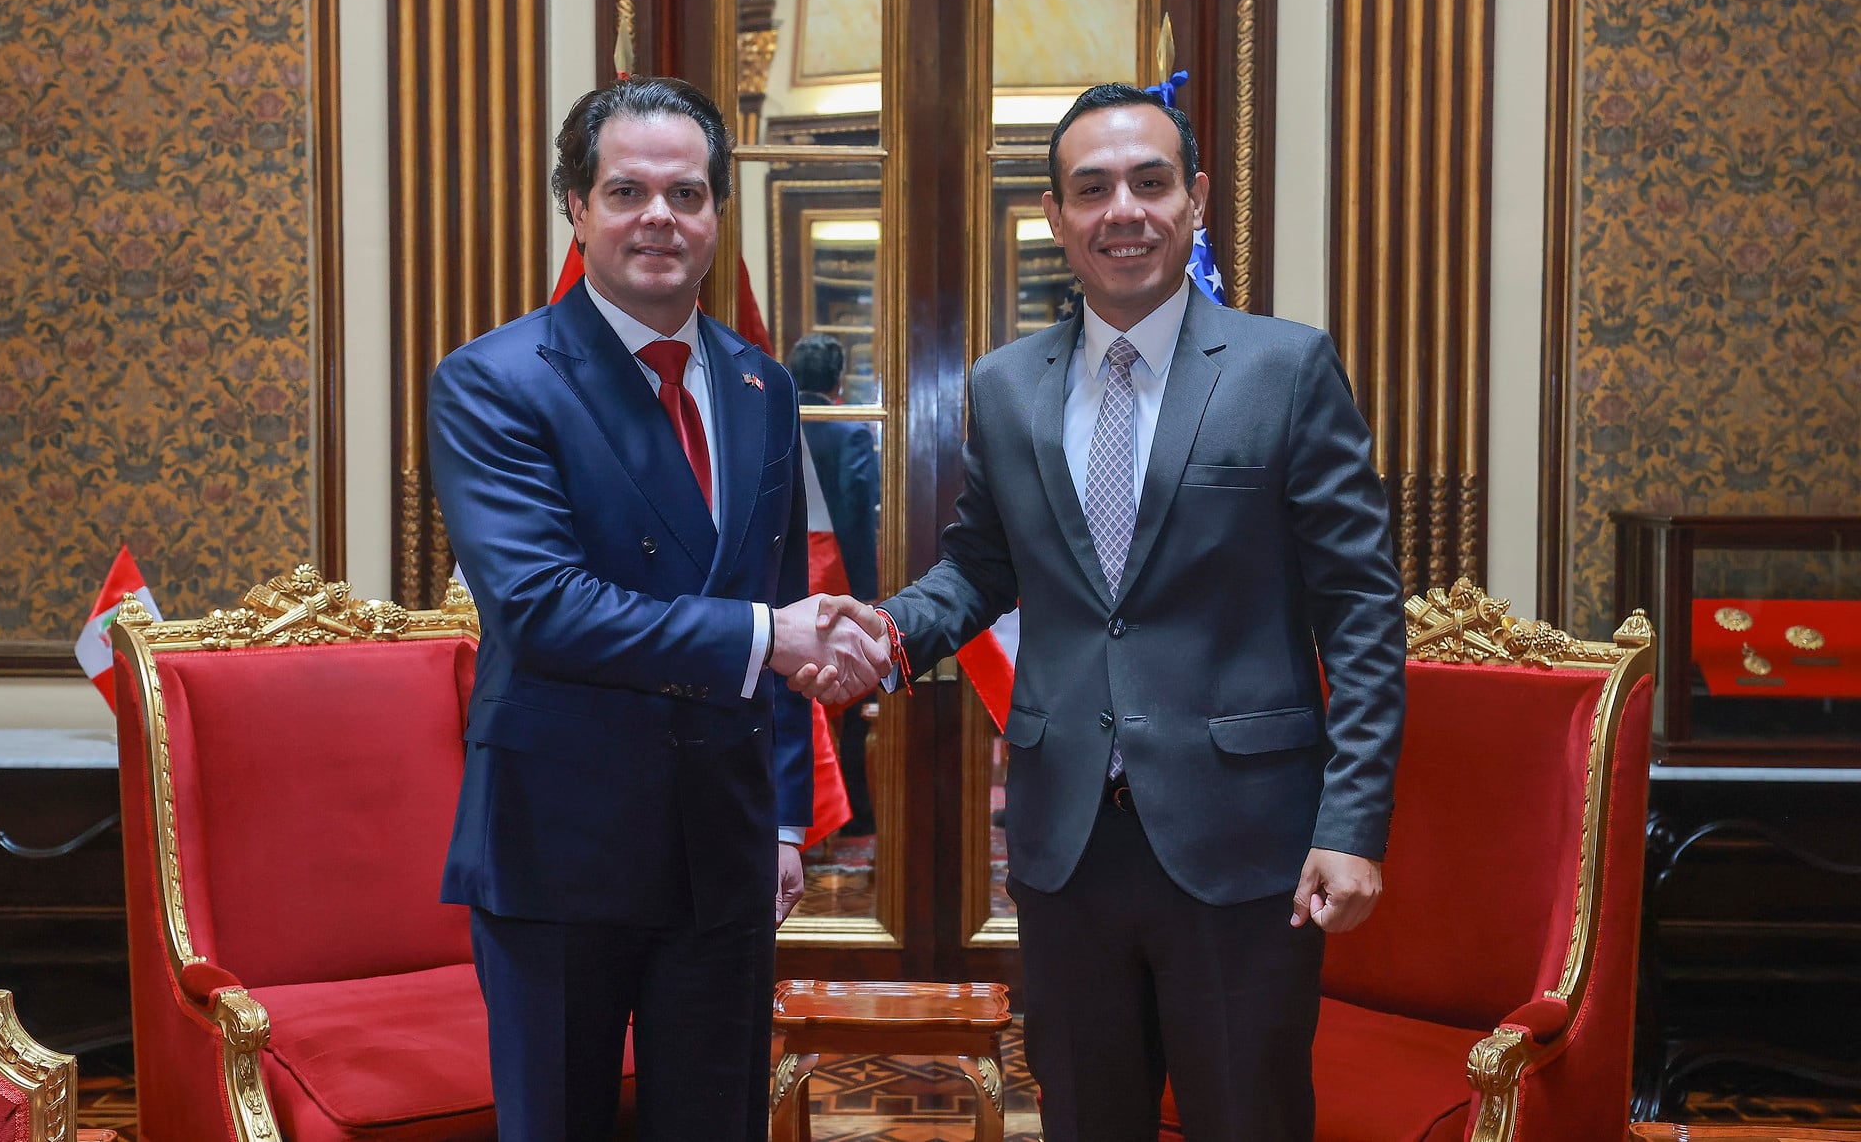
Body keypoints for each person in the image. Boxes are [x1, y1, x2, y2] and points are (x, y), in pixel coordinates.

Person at [798, 83, 1407, 1142]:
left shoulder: (1284, 369)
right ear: (1054, 216)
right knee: (1085, 1121)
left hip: (1243, 842)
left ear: (1195, 199)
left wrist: (1349, 827)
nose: (1121, 208)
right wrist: (881, 639)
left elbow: (1358, 612)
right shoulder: (1005, 386)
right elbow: (978, 569)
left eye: (1148, 181)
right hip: (1064, 843)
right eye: (1091, 189)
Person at [428, 76, 891, 1142]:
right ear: (577, 209)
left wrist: (783, 814)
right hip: (558, 846)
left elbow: (772, 596)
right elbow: (541, 607)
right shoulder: (493, 382)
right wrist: (765, 638)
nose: (657, 218)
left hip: (721, 847)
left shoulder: (759, 387)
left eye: (685, 195)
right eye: (625, 190)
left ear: (717, 215)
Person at [786, 332, 881, 834]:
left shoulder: (770, 416)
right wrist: (868, 587)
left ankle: (795, 806)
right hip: (833, 567)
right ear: (839, 379)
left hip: (781, 567)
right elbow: (858, 514)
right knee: (841, 684)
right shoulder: (848, 431)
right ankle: (853, 811)